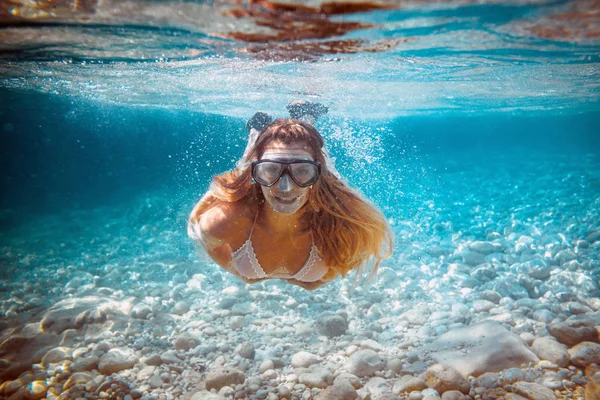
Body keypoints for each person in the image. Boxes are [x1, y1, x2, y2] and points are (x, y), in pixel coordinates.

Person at [188, 101, 392, 290]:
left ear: (316, 174)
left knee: (324, 164)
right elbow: (208, 241)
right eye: (270, 170)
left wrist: (246, 275)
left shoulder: (345, 224)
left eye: (303, 171)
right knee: (245, 165)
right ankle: (259, 130)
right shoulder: (224, 221)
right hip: (253, 170)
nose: (285, 187)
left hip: (320, 174)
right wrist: (241, 274)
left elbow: (337, 268)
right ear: (257, 174)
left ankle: (304, 119)